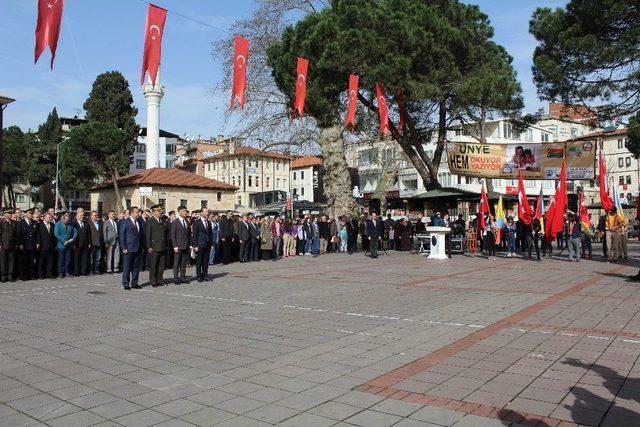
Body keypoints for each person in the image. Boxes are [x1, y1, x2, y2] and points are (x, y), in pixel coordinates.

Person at [119, 206, 144, 290]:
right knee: (127, 266)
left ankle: (134, 282)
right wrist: (123, 247)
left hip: (138, 248)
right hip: (128, 248)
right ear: (132, 213)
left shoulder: (139, 222)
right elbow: (122, 235)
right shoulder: (125, 222)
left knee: (136, 267)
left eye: (139, 212)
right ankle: (126, 283)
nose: (138, 213)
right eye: (137, 212)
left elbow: (141, 235)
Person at [145, 205, 167, 287]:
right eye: (158, 211)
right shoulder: (150, 221)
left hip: (162, 246)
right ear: (153, 212)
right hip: (154, 246)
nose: (160, 212)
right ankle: (153, 281)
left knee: (161, 265)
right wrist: (149, 246)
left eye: (161, 211)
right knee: (154, 265)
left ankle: (159, 280)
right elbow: (148, 235)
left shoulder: (161, 220)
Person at [171, 206, 191, 285]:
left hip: (185, 245)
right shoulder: (175, 222)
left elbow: (188, 234)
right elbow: (173, 235)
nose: (185, 212)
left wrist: (190, 244)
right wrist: (175, 246)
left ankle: (183, 277)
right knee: (176, 263)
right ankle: (176, 278)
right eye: (183, 211)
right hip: (178, 246)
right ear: (179, 212)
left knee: (183, 263)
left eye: (186, 211)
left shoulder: (186, 222)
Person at [17, 208, 38, 281]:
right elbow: (19, 234)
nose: (31, 214)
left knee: (31, 261)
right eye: (29, 213)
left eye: (32, 213)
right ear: (25, 214)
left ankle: (30, 275)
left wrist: (37, 242)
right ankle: (24, 276)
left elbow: (37, 234)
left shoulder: (34, 222)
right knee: (24, 261)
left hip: (32, 245)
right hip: (24, 245)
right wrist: (20, 244)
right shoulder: (21, 223)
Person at [54, 212, 76, 278]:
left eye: (68, 220)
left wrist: (72, 239)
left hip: (69, 244)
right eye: (66, 220)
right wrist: (64, 241)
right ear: (63, 218)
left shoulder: (71, 224)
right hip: (61, 245)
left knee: (67, 260)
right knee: (61, 260)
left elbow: (75, 232)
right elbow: (56, 234)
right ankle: (60, 273)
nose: (67, 222)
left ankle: (66, 272)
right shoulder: (58, 224)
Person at [193, 207, 212, 281]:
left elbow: (210, 234)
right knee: (199, 261)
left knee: (205, 261)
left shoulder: (208, 222)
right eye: (206, 212)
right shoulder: (197, 222)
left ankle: (205, 275)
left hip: (207, 244)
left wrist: (212, 244)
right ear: (201, 213)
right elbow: (195, 234)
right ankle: (199, 275)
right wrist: (196, 245)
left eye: (208, 212)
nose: (207, 213)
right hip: (200, 244)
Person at [0, 207, 18, 282]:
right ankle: (3, 276)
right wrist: (0, 244)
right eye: (9, 213)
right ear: (4, 214)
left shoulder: (13, 222)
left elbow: (16, 234)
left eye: (11, 213)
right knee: (3, 261)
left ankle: (10, 275)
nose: (10, 215)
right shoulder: (1, 222)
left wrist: (16, 243)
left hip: (12, 244)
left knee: (11, 261)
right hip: (4, 244)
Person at [37, 212, 56, 279]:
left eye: (51, 217)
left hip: (51, 246)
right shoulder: (39, 225)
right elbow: (38, 235)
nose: (50, 218)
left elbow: (54, 236)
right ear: (44, 218)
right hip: (43, 246)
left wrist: (54, 244)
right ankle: (41, 274)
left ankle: (49, 273)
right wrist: (38, 243)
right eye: (49, 217)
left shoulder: (52, 225)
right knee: (42, 261)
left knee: (50, 261)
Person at [72, 210, 89, 276]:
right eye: (80, 216)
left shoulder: (85, 223)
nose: (82, 217)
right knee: (77, 259)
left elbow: (88, 234)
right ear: (77, 216)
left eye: (82, 216)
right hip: (77, 243)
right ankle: (76, 272)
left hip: (85, 243)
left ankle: (83, 271)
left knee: (84, 258)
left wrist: (89, 242)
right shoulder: (74, 223)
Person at [88, 211, 103, 275]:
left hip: (99, 243)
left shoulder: (100, 223)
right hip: (92, 243)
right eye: (95, 215)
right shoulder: (88, 223)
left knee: (98, 258)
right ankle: (90, 270)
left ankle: (96, 269)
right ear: (91, 216)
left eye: (97, 215)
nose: (96, 216)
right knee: (91, 258)